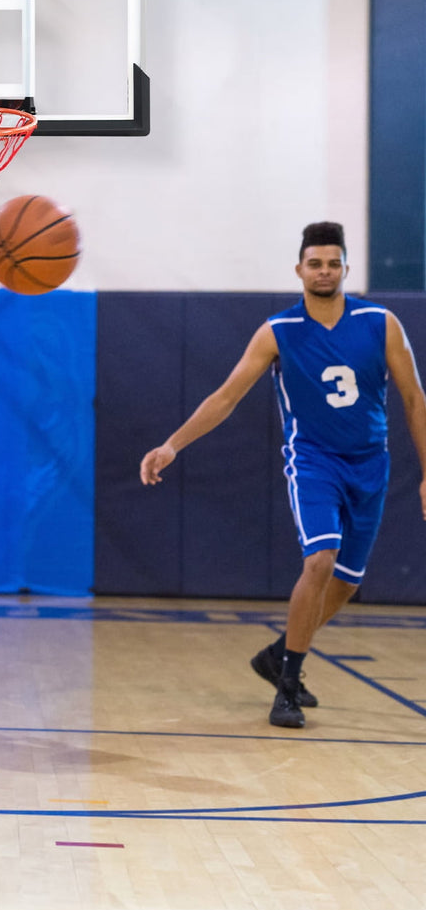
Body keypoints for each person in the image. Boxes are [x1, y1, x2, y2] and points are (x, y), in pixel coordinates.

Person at [140, 221, 426, 729]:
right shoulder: (279, 331)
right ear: (299, 269)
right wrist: (172, 444)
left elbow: (413, 400)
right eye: (315, 263)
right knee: (320, 559)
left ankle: (277, 654)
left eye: (333, 263)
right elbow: (225, 398)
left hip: (370, 465)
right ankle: (288, 686)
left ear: (345, 269)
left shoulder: (381, 323)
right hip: (313, 461)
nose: (324, 271)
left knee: (344, 586)